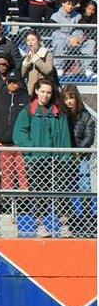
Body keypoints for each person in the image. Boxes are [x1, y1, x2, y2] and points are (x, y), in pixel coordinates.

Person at [12, 81, 72, 238]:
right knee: (40, 193)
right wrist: (33, 151)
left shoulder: (59, 112)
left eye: (49, 92)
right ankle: (41, 226)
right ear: (36, 91)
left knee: (62, 193)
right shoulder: (28, 111)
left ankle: (65, 225)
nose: (46, 95)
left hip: (58, 161)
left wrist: (66, 158)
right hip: (38, 162)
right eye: (43, 91)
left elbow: (65, 137)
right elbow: (19, 134)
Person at [0, 73, 31, 216]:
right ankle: (6, 203)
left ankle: (24, 203)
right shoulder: (0, 99)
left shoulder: (26, 99)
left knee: (23, 173)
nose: (12, 84)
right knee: (7, 174)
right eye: (9, 82)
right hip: (3, 143)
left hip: (19, 145)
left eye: (15, 82)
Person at [60, 85, 96, 236]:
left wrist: (77, 151)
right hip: (64, 157)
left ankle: (87, 220)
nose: (69, 102)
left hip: (81, 157)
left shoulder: (86, 116)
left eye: (71, 98)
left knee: (84, 188)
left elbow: (89, 138)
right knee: (64, 188)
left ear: (76, 98)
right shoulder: (61, 115)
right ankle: (67, 222)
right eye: (66, 98)